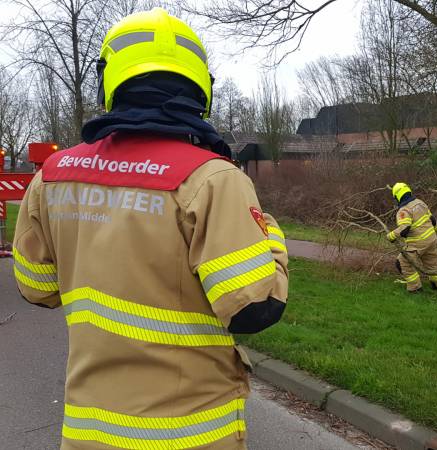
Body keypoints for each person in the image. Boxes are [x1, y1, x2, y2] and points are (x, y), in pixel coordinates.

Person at [12, 8, 288, 449]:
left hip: (88, 433)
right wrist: (269, 234)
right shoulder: (212, 179)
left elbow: (37, 288)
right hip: (191, 435)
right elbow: (253, 309)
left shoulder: (53, 175)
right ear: (200, 87)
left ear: (109, 81)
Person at [387, 182, 437, 292]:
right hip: (432, 239)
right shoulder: (420, 203)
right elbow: (432, 219)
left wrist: (391, 236)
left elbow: (404, 228)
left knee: (402, 262)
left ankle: (415, 288)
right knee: (431, 264)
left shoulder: (404, 210)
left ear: (398, 196)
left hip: (418, 243)